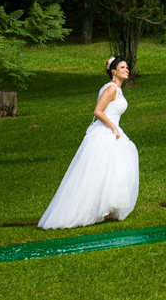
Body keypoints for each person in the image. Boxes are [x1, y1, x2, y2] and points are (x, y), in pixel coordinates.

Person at [38, 57, 140, 229]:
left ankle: (107, 207)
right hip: (106, 132)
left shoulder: (116, 89)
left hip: (112, 131)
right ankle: (94, 208)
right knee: (101, 170)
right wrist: (113, 128)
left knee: (115, 168)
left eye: (127, 67)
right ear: (113, 71)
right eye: (122, 67)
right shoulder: (111, 88)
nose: (126, 70)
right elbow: (98, 111)